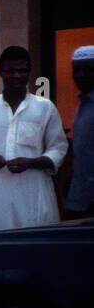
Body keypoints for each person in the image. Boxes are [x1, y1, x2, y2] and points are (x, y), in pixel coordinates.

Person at [0, 46, 67, 233]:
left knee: (35, 249)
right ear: (0, 72)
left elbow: (58, 148)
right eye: (11, 71)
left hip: (34, 194)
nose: (17, 76)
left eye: (22, 71)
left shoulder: (44, 108)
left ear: (29, 72)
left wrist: (32, 162)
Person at [63, 45, 94, 219]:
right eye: (77, 70)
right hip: (79, 201)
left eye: (88, 69)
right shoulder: (83, 104)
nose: (81, 75)